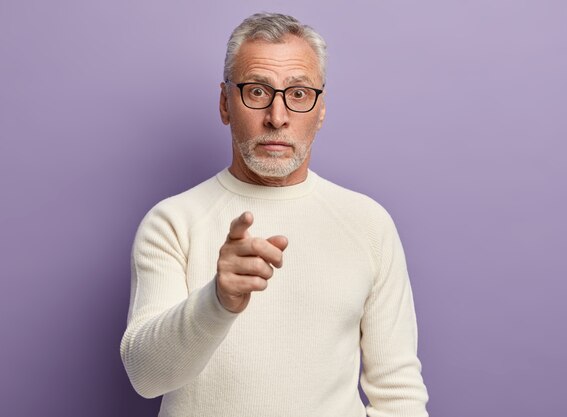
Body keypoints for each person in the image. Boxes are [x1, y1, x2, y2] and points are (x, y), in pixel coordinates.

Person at [120, 12, 429, 417]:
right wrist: (218, 301)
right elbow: (146, 376)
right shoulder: (173, 222)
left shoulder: (368, 223)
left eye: (298, 94)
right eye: (257, 92)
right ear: (225, 103)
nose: (277, 117)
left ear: (320, 110)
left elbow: (399, 395)